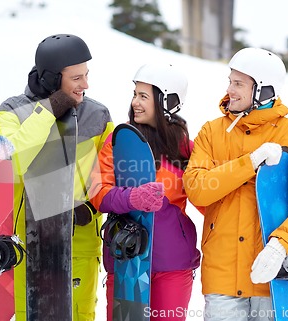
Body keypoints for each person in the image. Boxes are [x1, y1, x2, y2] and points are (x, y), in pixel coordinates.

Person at [183, 47, 288, 321]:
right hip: (222, 276)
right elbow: (197, 189)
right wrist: (249, 163)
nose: (230, 90)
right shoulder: (212, 132)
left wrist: (279, 246)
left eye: (238, 83)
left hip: (274, 272)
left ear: (263, 91)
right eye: (230, 81)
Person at [0, 34, 114, 321]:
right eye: (76, 78)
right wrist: (48, 111)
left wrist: (94, 204)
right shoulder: (10, 112)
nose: (85, 85)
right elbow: (10, 165)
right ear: (50, 78)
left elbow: (109, 172)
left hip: (80, 243)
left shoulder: (97, 114)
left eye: (86, 76)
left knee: (80, 316)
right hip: (30, 247)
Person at [90, 63, 201, 321]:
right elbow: (98, 194)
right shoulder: (119, 141)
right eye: (135, 94)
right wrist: (132, 197)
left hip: (173, 262)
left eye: (143, 96)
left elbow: (207, 200)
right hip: (127, 258)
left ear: (167, 102)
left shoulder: (187, 150)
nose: (135, 103)